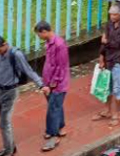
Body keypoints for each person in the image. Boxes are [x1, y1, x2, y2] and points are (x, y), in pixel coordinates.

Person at [0, 35, 44, 156]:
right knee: (3, 122)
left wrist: (41, 84)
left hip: (11, 92)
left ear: (5, 44)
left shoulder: (16, 55)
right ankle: (10, 146)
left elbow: (28, 70)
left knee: (4, 123)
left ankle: (8, 151)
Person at [35, 21, 70, 152]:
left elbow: (61, 66)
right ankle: (60, 127)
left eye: (39, 34)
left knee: (53, 109)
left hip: (57, 84)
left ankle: (53, 136)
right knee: (55, 105)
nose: (39, 37)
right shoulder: (49, 43)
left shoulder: (59, 44)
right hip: (48, 81)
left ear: (44, 31)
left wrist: (52, 84)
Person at [93, 4, 120, 126]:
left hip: (118, 60)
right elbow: (104, 44)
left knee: (117, 88)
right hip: (108, 59)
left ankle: (116, 114)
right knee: (107, 87)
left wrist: (105, 40)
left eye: (114, 14)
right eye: (111, 14)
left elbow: (116, 44)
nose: (112, 16)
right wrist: (101, 57)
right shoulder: (109, 24)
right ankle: (108, 110)